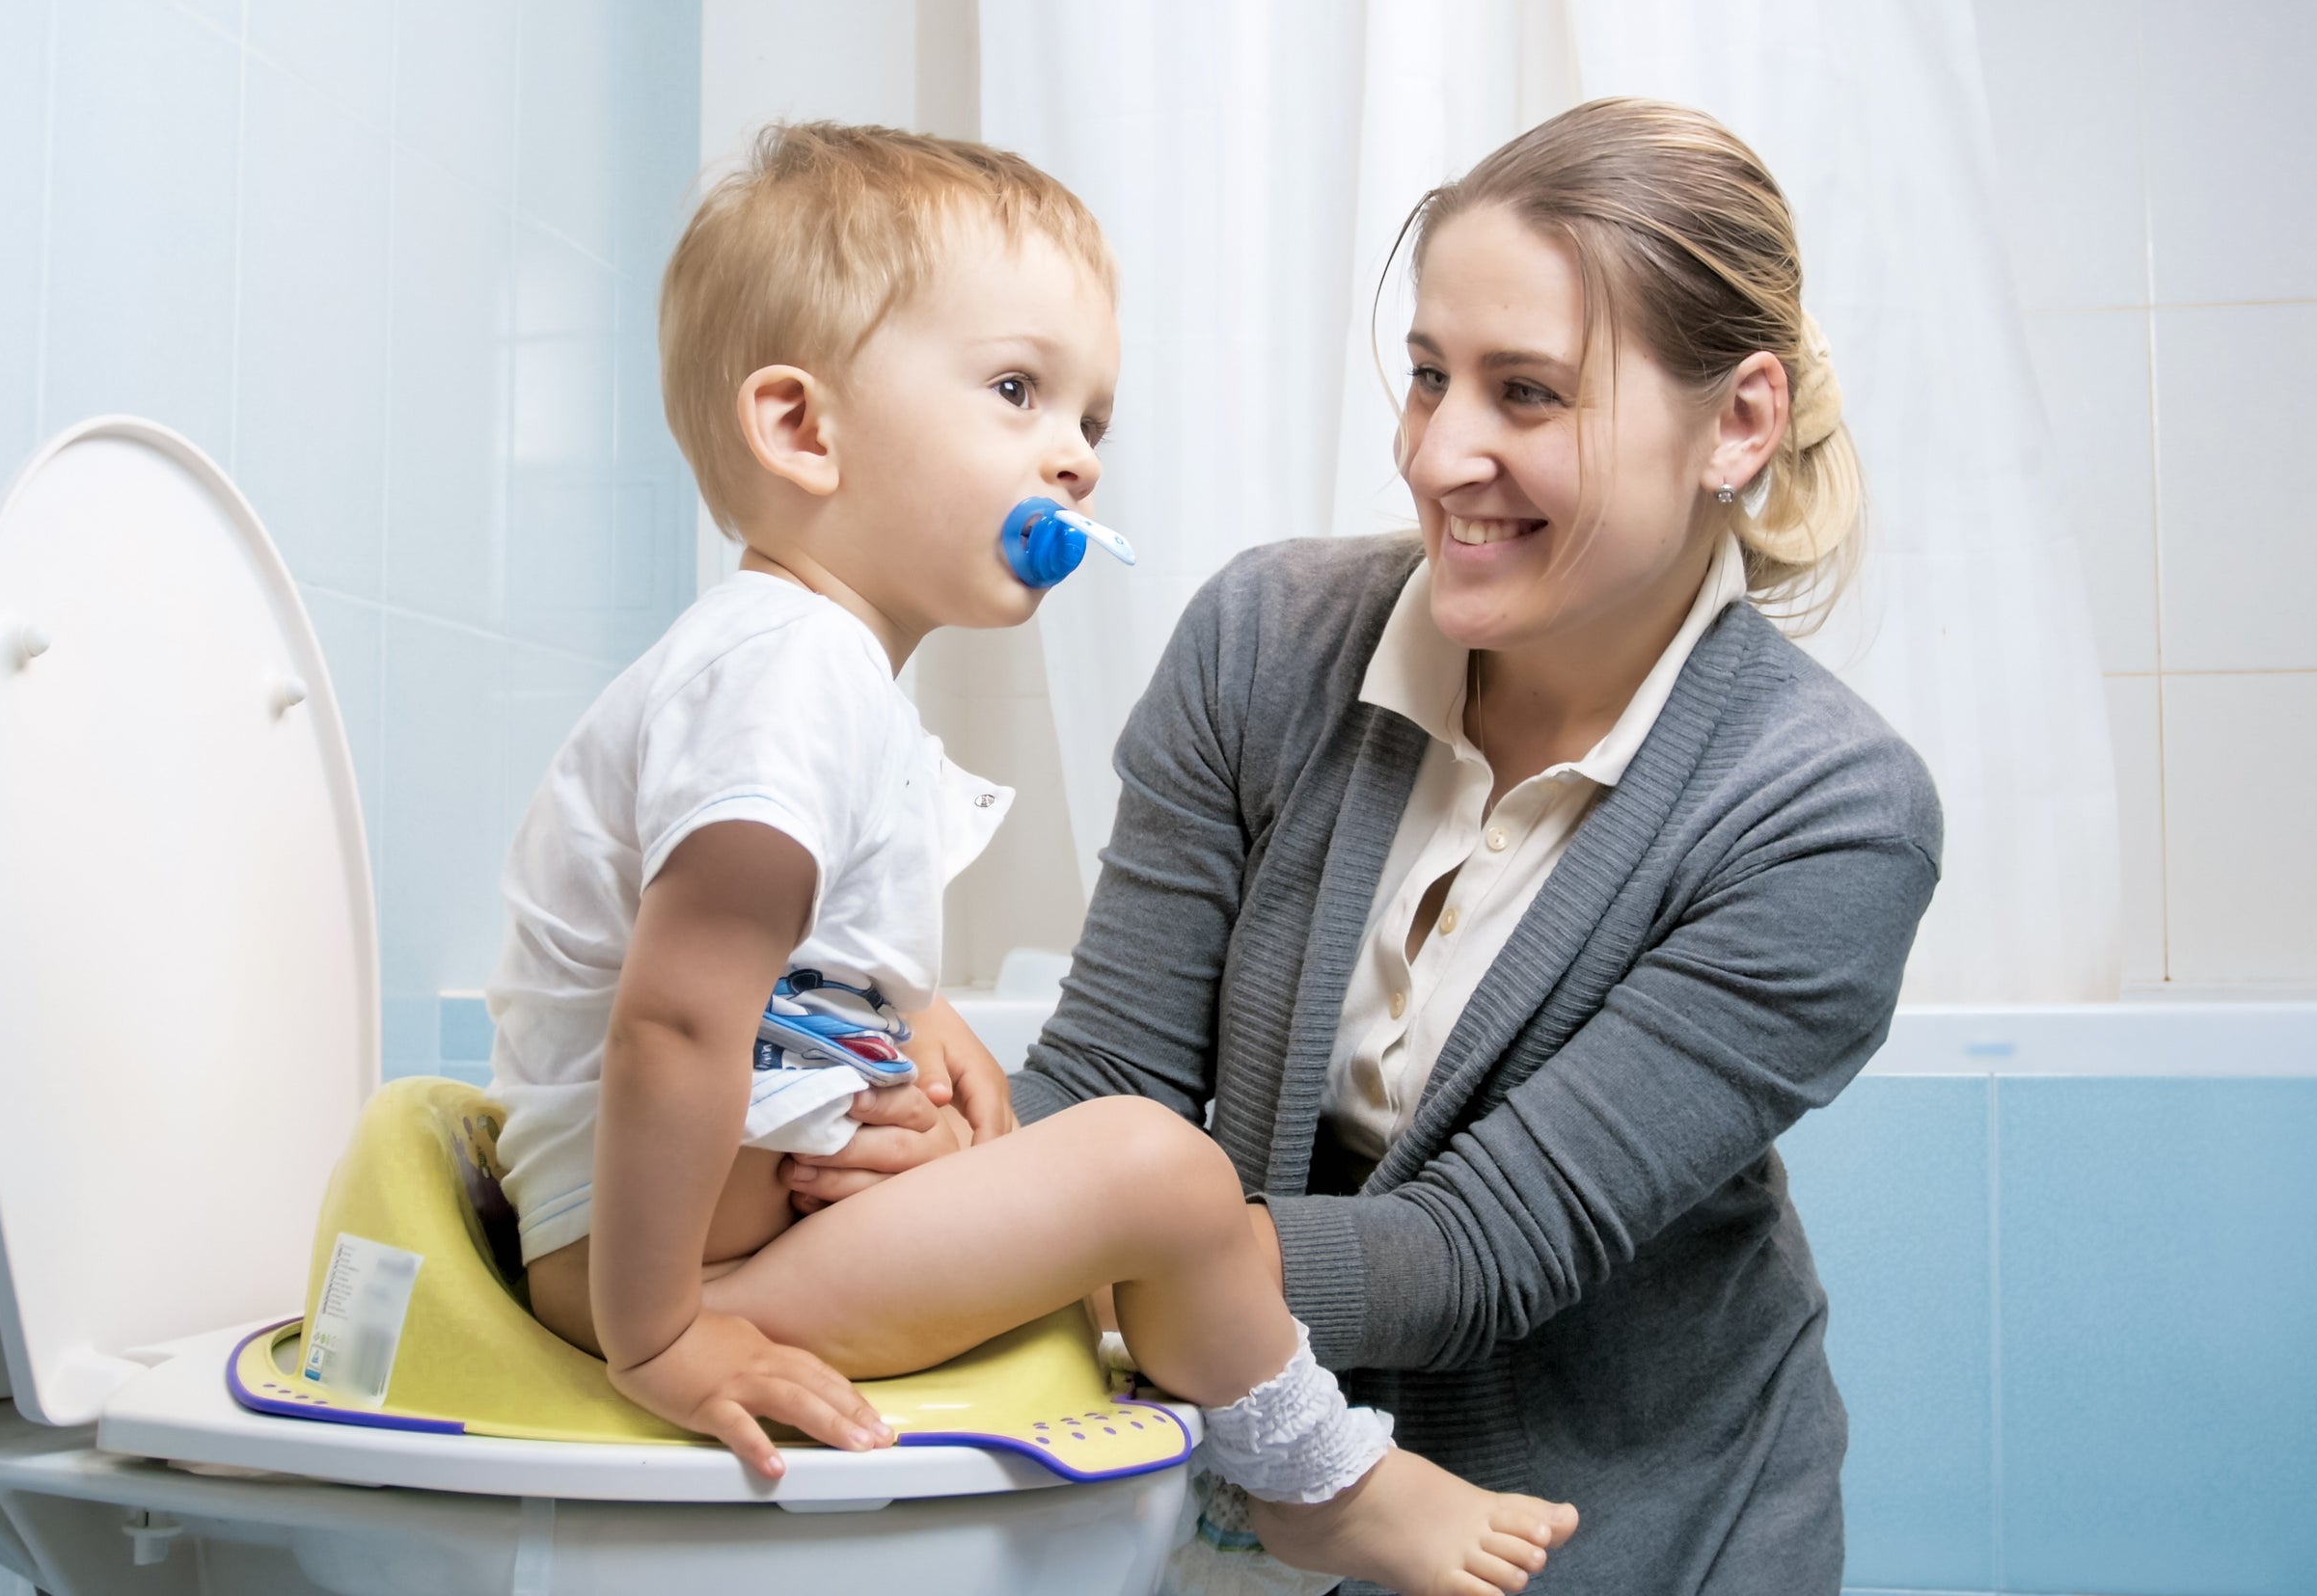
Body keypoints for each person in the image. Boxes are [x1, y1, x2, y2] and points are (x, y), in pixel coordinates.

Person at [786, 98, 1945, 1593]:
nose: (1438, 451)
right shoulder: (1265, 642)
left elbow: (1473, 1255)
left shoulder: (1827, 813)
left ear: (1737, 422)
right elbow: (1116, 1078)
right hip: (1271, 1519)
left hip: (1630, 1541)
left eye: (1526, 394)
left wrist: (1027, 1232)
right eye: (1425, 376)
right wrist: (947, 1162)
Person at [481, 122, 1577, 1596]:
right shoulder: (787, 678)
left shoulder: (812, 671)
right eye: (1015, 391)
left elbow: (760, 956)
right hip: (660, 1273)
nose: (1071, 452)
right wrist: (662, 1335)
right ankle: (1319, 1481)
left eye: (1090, 419)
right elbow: (674, 1017)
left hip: (694, 1242)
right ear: (804, 430)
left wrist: (914, 1021)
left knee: (1087, 1228)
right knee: (1158, 1174)